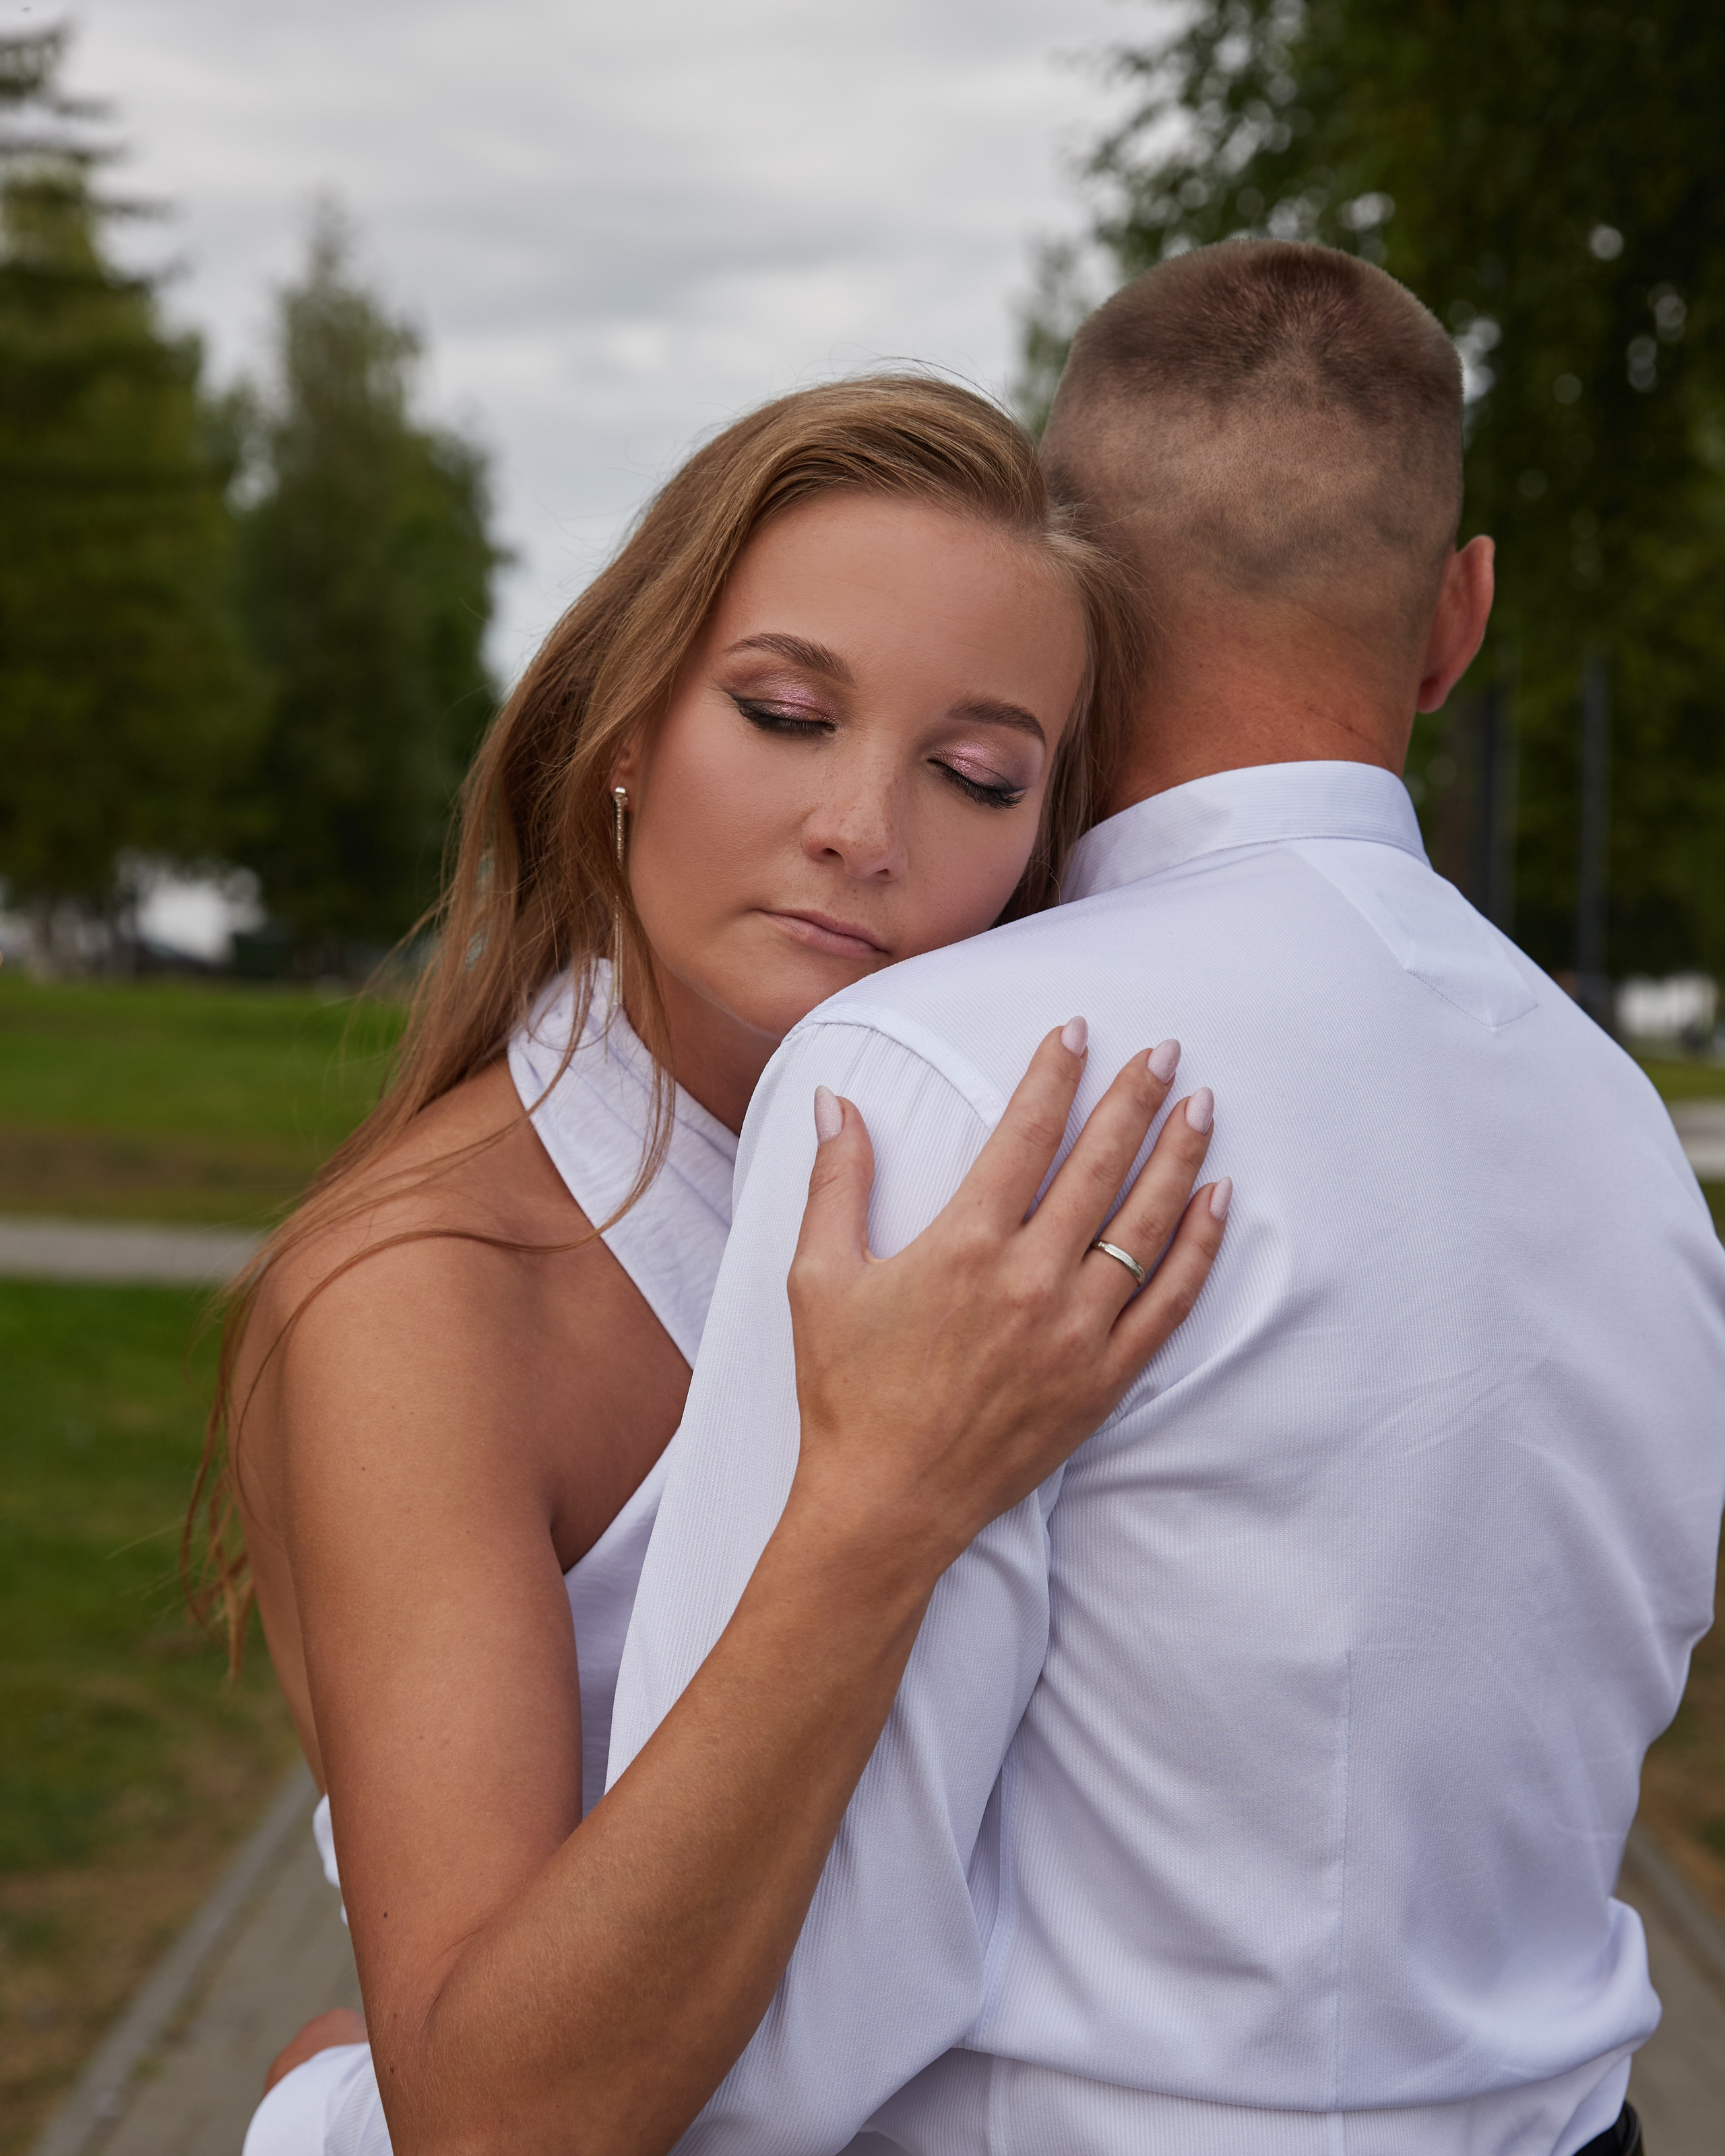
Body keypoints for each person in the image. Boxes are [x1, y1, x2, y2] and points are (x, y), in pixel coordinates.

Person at [608, 242, 1725, 2155]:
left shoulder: (941, 1076)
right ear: (1458, 620)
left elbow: (760, 2015)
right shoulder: (1628, 1131)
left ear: (1079, 594)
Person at [217, 375, 1233, 2156]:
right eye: (785, 712)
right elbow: (492, 2120)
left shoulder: (1021, 1211)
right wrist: (879, 1506)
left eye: (975, 770)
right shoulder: (417, 1296)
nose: (865, 824)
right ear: (627, 724)